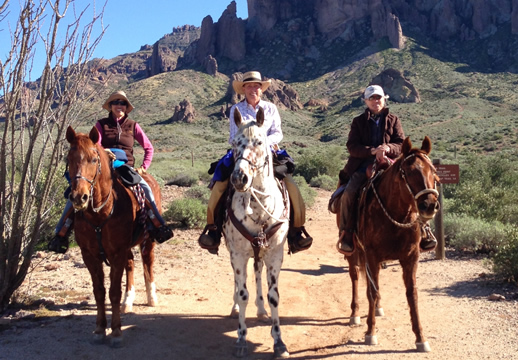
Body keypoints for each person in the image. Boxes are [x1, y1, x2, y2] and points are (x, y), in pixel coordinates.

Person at [198, 71, 312, 254]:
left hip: (268, 152)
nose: (253, 89)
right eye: (249, 86)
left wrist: (264, 144)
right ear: (243, 89)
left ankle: (297, 232)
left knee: (291, 186)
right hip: (243, 153)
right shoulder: (236, 110)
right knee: (220, 185)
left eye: (257, 86)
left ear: (262, 89)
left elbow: (277, 132)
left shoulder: (271, 109)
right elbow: (234, 136)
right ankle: (213, 230)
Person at [47, 91, 173, 253]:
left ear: (126, 107)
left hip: (125, 166)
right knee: (74, 193)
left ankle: (158, 225)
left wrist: (143, 167)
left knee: (145, 188)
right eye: (116, 103)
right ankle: (61, 233)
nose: (119, 106)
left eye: (123, 103)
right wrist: (103, 152)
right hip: (104, 166)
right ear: (111, 106)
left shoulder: (133, 125)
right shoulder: (101, 124)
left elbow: (149, 147)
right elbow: (95, 146)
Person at [336, 85, 437, 254]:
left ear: (384, 99)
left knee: (411, 187)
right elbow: (352, 146)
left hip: (389, 163)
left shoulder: (393, 120)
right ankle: (347, 233)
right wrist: (372, 151)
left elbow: (400, 143)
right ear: (366, 101)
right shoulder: (358, 122)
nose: (376, 101)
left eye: (378, 98)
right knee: (349, 194)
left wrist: (388, 148)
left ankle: (424, 230)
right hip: (363, 165)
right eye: (372, 98)